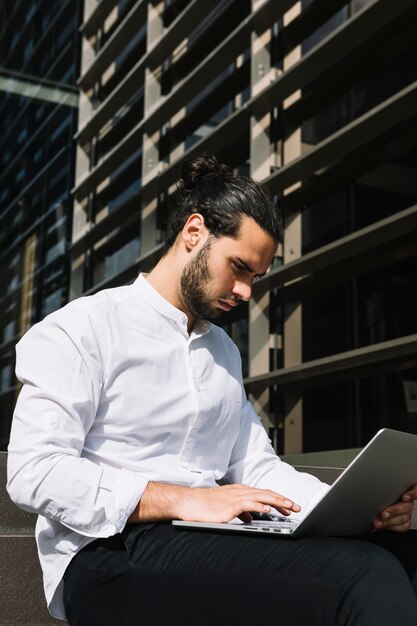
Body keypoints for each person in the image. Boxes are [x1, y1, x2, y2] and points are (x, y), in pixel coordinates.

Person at [7, 153, 417, 626]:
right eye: (239, 267)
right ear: (194, 232)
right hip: (106, 554)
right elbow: (34, 472)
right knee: (365, 577)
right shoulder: (82, 328)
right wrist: (184, 498)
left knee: (401, 551)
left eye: (255, 278)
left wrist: (354, 511)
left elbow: (255, 466)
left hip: (208, 538)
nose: (245, 292)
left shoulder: (223, 350)